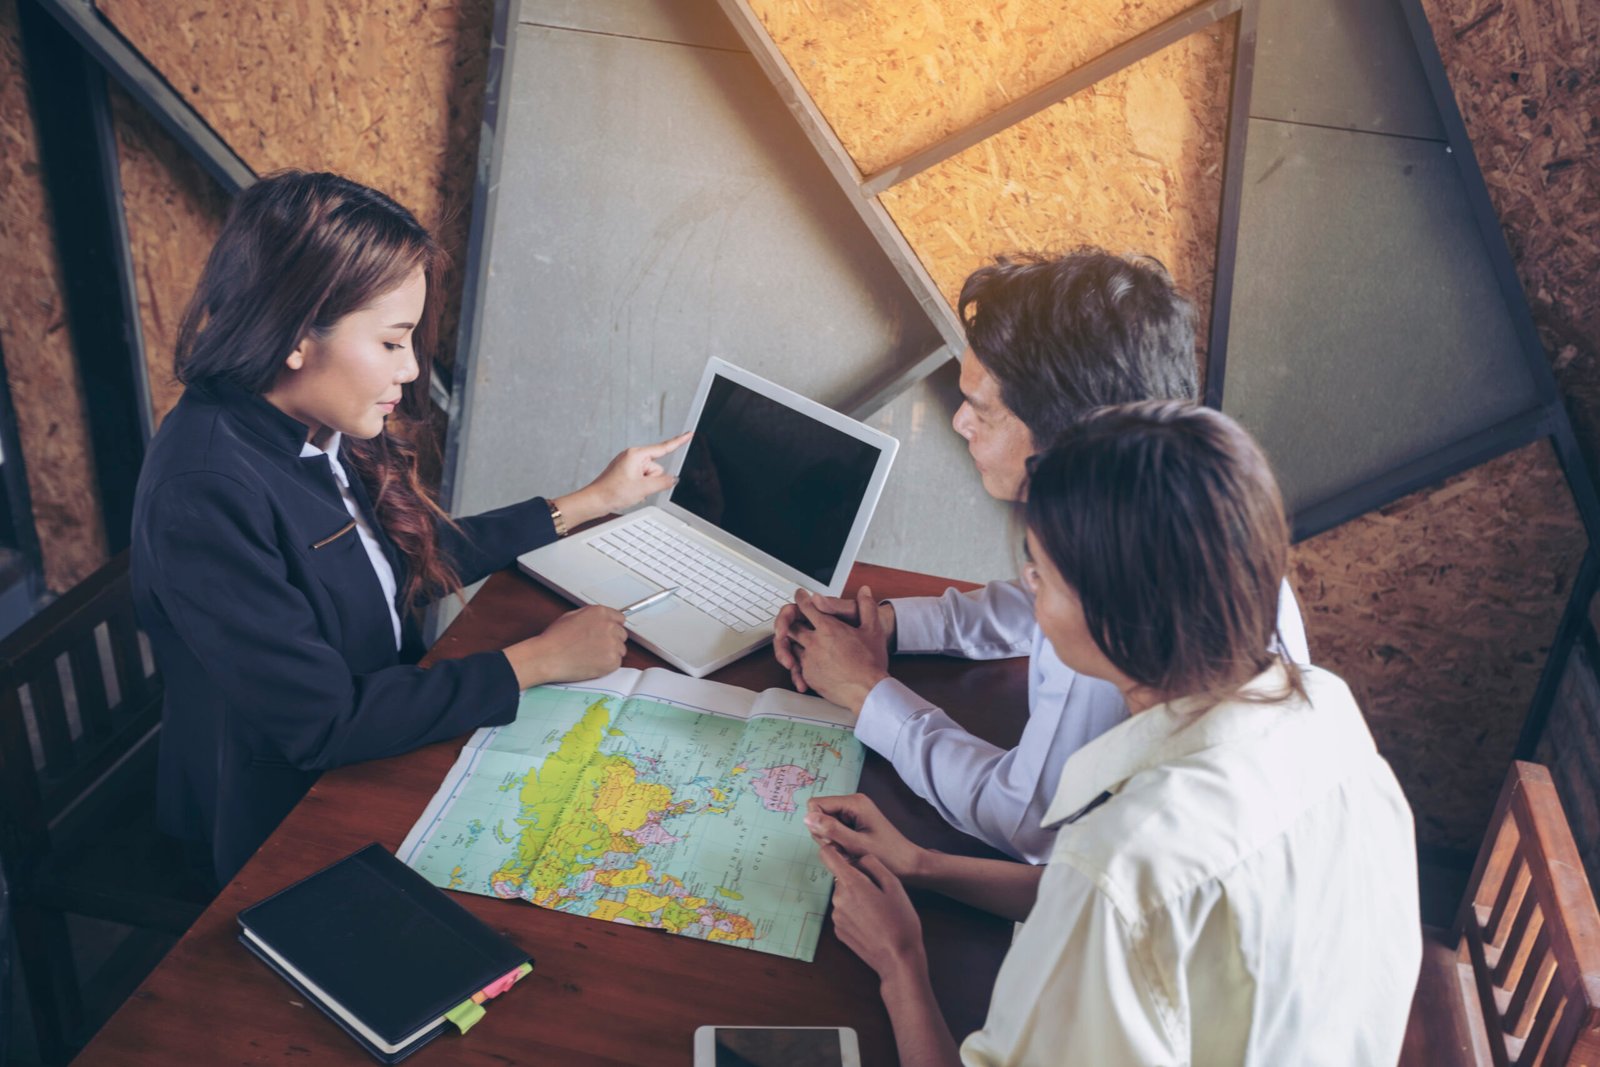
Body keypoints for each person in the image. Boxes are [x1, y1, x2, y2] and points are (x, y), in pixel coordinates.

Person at [805, 402, 1421, 1066]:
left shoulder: (1119, 861)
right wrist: (924, 865)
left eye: (1039, 572)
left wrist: (900, 962)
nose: (1028, 588)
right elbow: (1138, 915)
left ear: (1112, 616)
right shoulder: (1328, 712)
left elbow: (1117, 898)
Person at [131, 171, 689, 884]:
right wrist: (537, 660)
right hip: (280, 812)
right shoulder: (205, 491)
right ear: (298, 336)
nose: (412, 368)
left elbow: (399, 556)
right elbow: (323, 722)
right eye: (394, 343)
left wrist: (590, 499)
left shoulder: (308, 419)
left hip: (381, 735)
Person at [775, 249, 1309, 862]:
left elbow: (1030, 822)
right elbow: (1036, 602)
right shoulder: (1181, 521)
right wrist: (894, 626)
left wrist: (866, 692)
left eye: (981, 408)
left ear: (1067, 436)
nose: (957, 422)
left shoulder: (1117, 621)